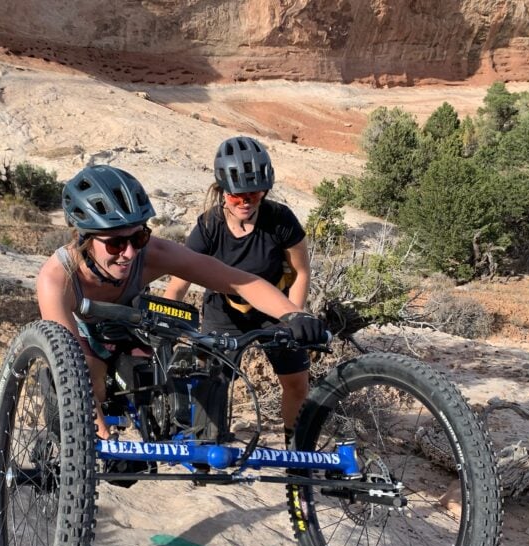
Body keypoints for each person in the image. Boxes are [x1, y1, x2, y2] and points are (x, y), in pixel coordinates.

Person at [36, 163, 326, 440]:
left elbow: (239, 281)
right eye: (114, 243)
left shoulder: (153, 253)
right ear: (85, 238)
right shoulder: (57, 278)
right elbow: (69, 368)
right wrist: (99, 433)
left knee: (156, 391)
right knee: (89, 385)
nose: (128, 253)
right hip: (83, 339)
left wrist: (293, 315)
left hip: (131, 329)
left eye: (138, 238)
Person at [163, 136, 311, 447]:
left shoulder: (280, 219)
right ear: (223, 192)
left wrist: (295, 317)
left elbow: (300, 272)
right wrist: (164, 323)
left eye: (254, 194)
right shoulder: (209, 225)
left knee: (296, 382)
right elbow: (178, 283)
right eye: (236, 196)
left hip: (274, 307)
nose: (245, 202)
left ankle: (297, 451)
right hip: (225, 310)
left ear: (265, 190)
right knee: (212, 382)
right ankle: (206, 448)